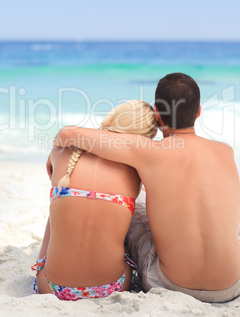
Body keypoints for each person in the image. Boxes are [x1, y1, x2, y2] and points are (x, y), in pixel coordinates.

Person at [53, 73, 240, 303]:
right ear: (198, 112)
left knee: (132, 206)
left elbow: (67, 134)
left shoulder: (148, 151)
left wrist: (54, 156)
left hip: (172, 285)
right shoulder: (225, 151)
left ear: (157, 115)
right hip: (231, 285)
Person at [32, 100, 157, 301]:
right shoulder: (136, 170)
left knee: (59, 204)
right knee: (123, 213)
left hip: (52, 287)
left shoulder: (60, 152)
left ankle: (42, 263)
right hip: (111, 287)